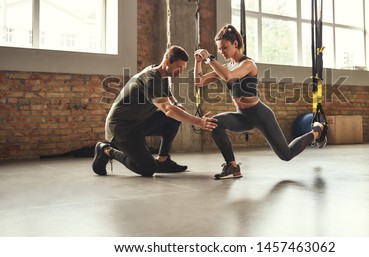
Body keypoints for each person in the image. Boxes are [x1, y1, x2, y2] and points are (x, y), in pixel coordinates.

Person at [194, 24, 325, 179]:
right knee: (214, 123)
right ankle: (233, 167)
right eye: (219, 49)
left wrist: (209, 59)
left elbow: (229, 76)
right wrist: (198, 62)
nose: (222, 52)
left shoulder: (248, 64)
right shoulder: (226, 66)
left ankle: (317, 131)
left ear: (235, 44)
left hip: (260, 114)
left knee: (286, 154)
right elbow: (199, 82)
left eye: (224, 47)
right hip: (243, 116)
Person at [93, 45, 218, 177]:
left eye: (183, 68)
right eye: (178, 67)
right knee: (148, 168)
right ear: (167, 62)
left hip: (140, 123)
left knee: (174, 118)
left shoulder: (161, 74)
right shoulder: (151, 78)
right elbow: (167, 109)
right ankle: (106, 150)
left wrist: (175, 103)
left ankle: (163, 161)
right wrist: (199, 122)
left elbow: (167, 93)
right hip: (122, 128)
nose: (180, 71)